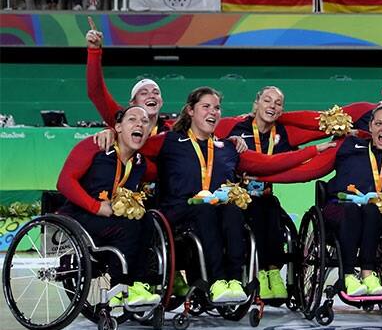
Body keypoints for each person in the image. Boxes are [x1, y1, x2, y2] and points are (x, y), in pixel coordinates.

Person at [138, 87, 332, 303]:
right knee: (206, 212)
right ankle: (217, 281)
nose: (213, 112)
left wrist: (314, 150)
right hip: (179, 212)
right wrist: (111, 133)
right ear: (191, 111)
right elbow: (131, 143)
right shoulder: (170, 141)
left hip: (215, 207)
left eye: (217, 108)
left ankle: (235, 281)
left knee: (234, 210)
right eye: (206, 107)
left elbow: (268, 164)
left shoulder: (227, 147)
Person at [261, 103, 382, 296]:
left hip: (376, 213)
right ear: (369, 127)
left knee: (371, 210)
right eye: (378, 123)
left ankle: (368, 274)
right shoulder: (350, 146)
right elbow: (313, 168)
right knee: (352, 210)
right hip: (339, 208)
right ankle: (349, 276)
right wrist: (265, 175)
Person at [214, 86, 327, 299]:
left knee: (273, 210)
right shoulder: (237, 129)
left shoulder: (282, 134)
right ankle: (261, 274)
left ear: (282, 109)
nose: (272, 106)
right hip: (236, 200)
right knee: (259, 211)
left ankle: (273, 272)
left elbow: (287, 161)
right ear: (256, 104)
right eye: (267, 101)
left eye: (277, 103)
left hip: (265, 199)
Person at [56, 106, 161, 307]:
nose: (139, 123)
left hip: (112, 220)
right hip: (79, 215)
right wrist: (96, 207)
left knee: (148, 220)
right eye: (132, 119)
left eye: (145, 121)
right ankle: (119, 289)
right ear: (118, 127)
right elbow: (64, 182)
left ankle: (138, 285)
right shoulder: (96, 145)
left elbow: (171, 165)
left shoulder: (140, 163)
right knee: (127, 227)